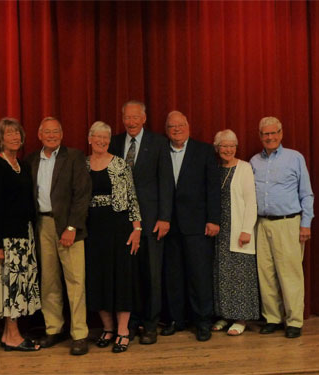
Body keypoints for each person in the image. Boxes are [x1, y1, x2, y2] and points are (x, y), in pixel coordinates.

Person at [26, 117, 92, 356]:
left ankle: (79, 334)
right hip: (42, 225)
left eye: (56, 131)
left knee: (76, 282)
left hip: (69, 227)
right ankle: (53, 328)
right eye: (47, 132)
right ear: (39, 134)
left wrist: (72, 227)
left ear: (62, 134)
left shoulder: (74, 157)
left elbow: (82, 194)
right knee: (49, 281)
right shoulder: (31, 159)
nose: (52, 135)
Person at [109, 100, 173, 345]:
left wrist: (164, 217)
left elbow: (166, 182)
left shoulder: (158, 143)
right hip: (122, 223)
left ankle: (150, 324)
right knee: (128, 276)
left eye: (136, 117)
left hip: (151, 221)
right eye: (127, 117)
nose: (131, 122)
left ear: (144, 119)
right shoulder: (114, 142)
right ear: (122, 118)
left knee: (151, 276)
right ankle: (131, 322)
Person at [250, 116, 314, 339]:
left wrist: (306, 224)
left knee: (290, 274)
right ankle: (272, 318)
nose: (270, 137)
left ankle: (294, 321)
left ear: (281, 133)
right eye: (265, 134)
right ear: (260, 136)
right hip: (261, 223)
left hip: (288, 223)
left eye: (273, 132)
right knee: (266, 273)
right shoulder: (254, 161)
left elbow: (306, 194)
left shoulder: (294, 158)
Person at [162, 110, 220, 342]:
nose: (177, 130)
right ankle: (176, 319)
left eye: (180, 125)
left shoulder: (204, 150)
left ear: (188, 126)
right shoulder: (160, 150)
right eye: (172, 127)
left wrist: (214, 219)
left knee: (199, 275)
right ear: (166, 131)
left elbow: (213, 188)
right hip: (168, 225)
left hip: (197, 224)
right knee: (173, 276)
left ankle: (203, 321)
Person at [85, 121, 142, 353]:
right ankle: (107, 328)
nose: (101, 141)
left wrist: (136, 229)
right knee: (97, 278)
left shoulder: (120, 164)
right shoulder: (82, 164)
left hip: (118, 226)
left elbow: (132, 198)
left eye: (105, 138)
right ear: (89, 139)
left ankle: (123, 330)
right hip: (92, 228)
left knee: (121, 278)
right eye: (97, 137)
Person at [0, 118, 41, 352]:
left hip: (25, 235)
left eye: (18, 133)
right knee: (11, 287)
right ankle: (13, 335)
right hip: (9, 238)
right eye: (9, 134)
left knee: (21, 285)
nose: (15, 137)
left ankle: (9, 335)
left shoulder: (23, 164)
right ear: (1, 138)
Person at [211, 129, 259, 336]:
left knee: (240, 274)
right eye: (224, 145)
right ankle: (224, 315)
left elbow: (251, 202)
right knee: (221, 275)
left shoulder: (245, 168)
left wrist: (247, 229)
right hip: (218, 231)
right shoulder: (213, 167)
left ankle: (241, 318)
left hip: (238, 229)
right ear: (217, 148)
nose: (228, 149)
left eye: (232, 145)